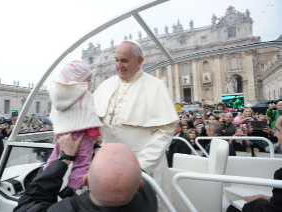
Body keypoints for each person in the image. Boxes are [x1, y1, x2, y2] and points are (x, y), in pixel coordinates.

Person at [93, 40, 178, 211]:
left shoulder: (156, 86)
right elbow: (91, 121)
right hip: (108, 164)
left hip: (144, 164)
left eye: (124, 60)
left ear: (139, 61)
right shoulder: (106, 85)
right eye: (116, 60)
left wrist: (140, 166)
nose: (119, 65)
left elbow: (165, 130)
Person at [14, 134, 157, 212]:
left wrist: (65, 159)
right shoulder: (149, 197)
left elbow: (25, 206)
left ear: (85, 180)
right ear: (140, 184)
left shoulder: (66, 208)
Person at [43, 61, 103, 199]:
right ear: (79, 81)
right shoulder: (85, 94)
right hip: (82, 136)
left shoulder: (58, 94)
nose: (91, 84)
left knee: (54, 157)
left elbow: (54, 116)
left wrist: (61, 130)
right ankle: (72, 188)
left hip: (63, 135)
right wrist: (95, 136)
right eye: (88, 80)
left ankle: (45, 175)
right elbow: (89, 116)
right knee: (82, 162)